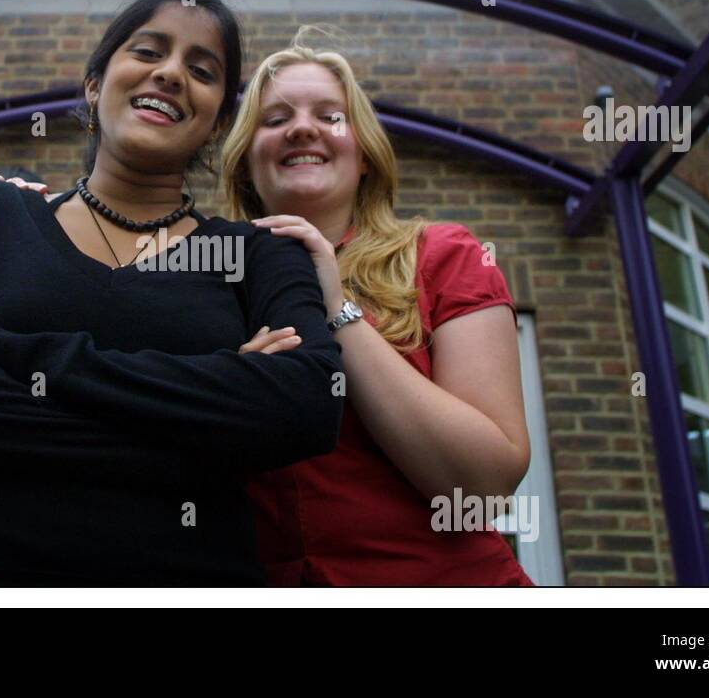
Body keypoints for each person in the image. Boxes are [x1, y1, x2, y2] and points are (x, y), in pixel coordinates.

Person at [0, 0, 344, 587]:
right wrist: (201, 431)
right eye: (147, 52)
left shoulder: (259, 253)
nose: (171, 73)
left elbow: (307, 405)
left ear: (219, 120)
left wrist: (26, 357)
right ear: (95, 86)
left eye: (202, 70)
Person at [220, 30, 535, 586]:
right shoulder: (207, 281)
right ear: (246, 161)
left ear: (364, 153)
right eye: (274, 119)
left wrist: (337, 309)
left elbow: (482, 489)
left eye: (330, 115)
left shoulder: (443, 255)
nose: (301, 127)